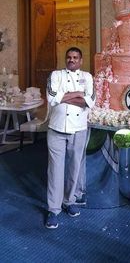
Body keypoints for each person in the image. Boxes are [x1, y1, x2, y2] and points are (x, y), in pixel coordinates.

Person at [45, 47, 95, 229]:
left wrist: (64, 97)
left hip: (79, 128)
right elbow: (52, 99)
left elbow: (91, 101)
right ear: (65, 59)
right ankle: (53, 209)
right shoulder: (55, 75)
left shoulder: (88, 77)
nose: (71, 60)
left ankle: (69, 201)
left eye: (75, 57)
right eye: (69, 57)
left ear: (81, 61)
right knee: (55, 170)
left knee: (75, 167)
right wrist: (78, 94)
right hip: (56, 128)